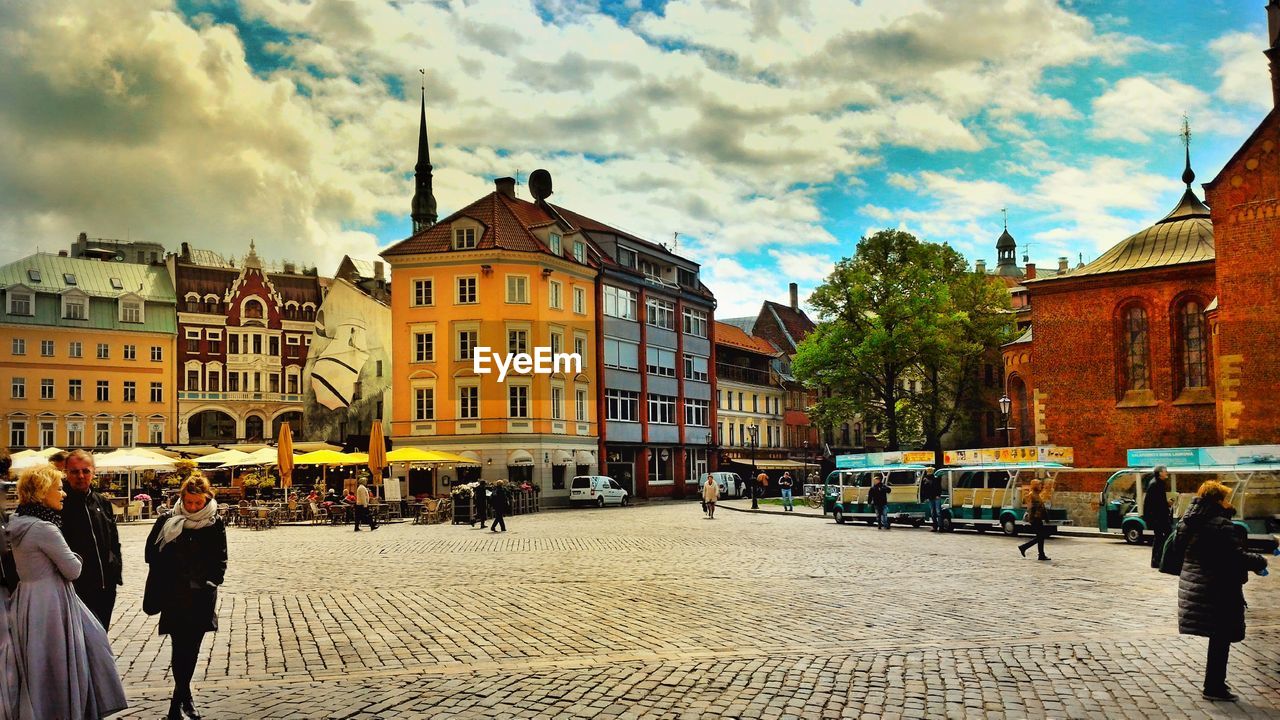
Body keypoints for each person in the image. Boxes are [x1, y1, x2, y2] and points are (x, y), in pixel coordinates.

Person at [6, 464, 128, 719]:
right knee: (62, 660)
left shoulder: (18, 523)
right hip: (52, 602)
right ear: (42, 491)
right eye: (59, 489)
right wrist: (76, 556)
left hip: (27, 600)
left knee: (37, 662)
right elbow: (72, 570)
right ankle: (62, 709)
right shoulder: (45, 528)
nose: (63, 494)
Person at [1176, 481, 1268, 702]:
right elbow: (1234, 556)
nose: (1229, 502)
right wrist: (1259, 561)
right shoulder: (1220, 524)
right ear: (1217, 500)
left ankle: (1214, 683)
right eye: (1225, 498)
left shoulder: (1188, 521)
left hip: (1197, 585)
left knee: (1218, 637)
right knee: (1221, 637)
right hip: (1219, 589)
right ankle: (1214, 686)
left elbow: (1181, 551)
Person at [145, 473, 227, 720]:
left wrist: (209, 581)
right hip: (175, 595)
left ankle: (179, 701)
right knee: (180, 646)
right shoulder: (166, 520)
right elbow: (150, 553)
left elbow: (220, 559)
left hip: (201, 596)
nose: (192, 507)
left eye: (197, 503)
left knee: (192, 649)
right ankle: (182, 701)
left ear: (206, 500)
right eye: (188, 502)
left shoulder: (215, 523)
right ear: (181, 499)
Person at [60, 449, 123, 631]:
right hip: (76, 588)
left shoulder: (101, 502)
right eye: (74, 471)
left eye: (85, 471)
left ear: (94, 472)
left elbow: (114, 541)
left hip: (105, 586)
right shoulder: (60, 504)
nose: (80, 476)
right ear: (66, 473)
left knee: (101, 634)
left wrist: (115, 572)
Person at [1143, 465, 1174, 569]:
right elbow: (1157, 503)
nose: (1167, 473)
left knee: (1160, 537)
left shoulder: (1156, 483)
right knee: (1166, 536)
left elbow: (1156, 501)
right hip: (1158, 517)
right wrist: (1167, 504)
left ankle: (1157, 560)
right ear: (1160, 473)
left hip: (1157, 516)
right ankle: (1159, 560)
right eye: (1165, 471)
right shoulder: (1157, 484)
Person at [1017, 479, 1052, 560]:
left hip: (1038, 518)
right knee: (1041, 536)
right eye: (1039, 485)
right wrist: (1032, 518)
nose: (1041, 486)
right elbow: (1031, 508)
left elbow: (1042, 507)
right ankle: (1024, 547)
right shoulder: (1032, 495)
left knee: (1041, 536)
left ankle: (1041, 554)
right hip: (1035, 519)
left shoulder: (1037, 494)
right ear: (1035, 486)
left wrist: (1046, 517)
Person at [921, 467, 941, 531]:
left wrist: (938, 495)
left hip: (935, 497)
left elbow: (938, 487)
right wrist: (926, 497)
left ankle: (940, 526)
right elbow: (924, 489)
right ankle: (935, 526)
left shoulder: (936, 478)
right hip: (931, 497)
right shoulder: (925, 479)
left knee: (938, 512)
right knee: (933, 512)